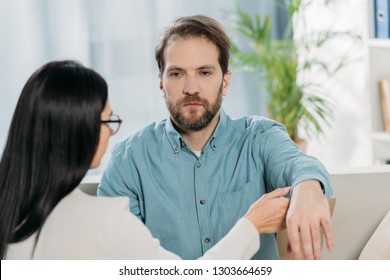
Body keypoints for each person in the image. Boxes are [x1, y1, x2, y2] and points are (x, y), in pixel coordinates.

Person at [0, 60, 290, 260]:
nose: (111, 134)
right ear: (77, 130)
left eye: (204, 72)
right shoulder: (104, 219)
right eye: (108, 121)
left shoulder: (10, 211)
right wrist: (252, 224)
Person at [98, 15, 334, 260]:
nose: (191, 88)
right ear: (161, 83)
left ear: (225, 82)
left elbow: (298, 164)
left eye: (205, 72)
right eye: (177, 74)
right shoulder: (128, 161)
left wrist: (307, 185)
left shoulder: (259, 138)